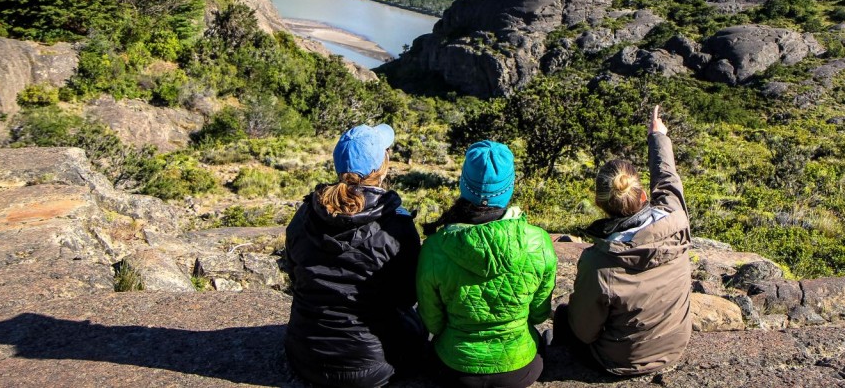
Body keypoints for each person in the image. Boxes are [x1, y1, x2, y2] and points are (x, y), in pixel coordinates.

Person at [283, 123, 423, 388]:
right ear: (381, 166)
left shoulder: (304, 216)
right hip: (372, 368)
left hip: (304, 356)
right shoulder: (394, 226)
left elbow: (294, 272)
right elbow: (408, 295)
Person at [556, 105, 692, 376]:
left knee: (562, 316)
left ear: (600, 204)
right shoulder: (676, 221)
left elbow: (584, 333)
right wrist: (658, 137)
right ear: (643, 196)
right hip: (676, 346)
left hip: (618, 361)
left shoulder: (600, 263)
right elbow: (667, 179)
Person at [416, 140, 557, 388]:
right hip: (520, 367)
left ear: (464, 185)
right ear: (509, 187)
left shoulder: (435, 247)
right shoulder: (539, 242)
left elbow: (433, 323)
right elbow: (538, 314)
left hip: (455, 367)